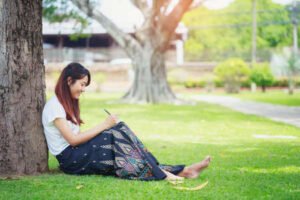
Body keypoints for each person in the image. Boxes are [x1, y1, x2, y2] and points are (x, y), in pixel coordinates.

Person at [42, 62, 211, 181]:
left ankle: (182, 171)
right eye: (82, 84)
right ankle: (170, 174)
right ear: (69, 81)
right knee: (114, 133)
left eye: (85, 85)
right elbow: (72, 140)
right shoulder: (54, 106)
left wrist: (108, 126)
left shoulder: (66, 104)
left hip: (78, 152)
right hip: (71, 160)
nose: (83, 89)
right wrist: (105, 125)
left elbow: (76, 138)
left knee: (120, 131)